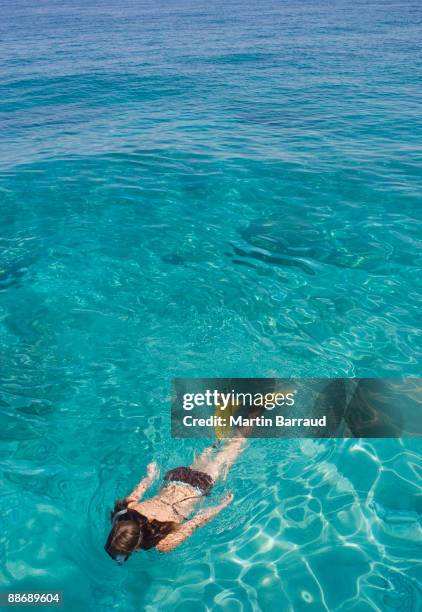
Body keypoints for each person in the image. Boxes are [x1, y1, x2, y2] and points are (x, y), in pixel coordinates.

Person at [105, 438, 246, 563]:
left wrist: (221, 505)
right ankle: (221, 437)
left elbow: (195, 523)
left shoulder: (163, 544)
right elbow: (138, 492)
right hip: (176, 478)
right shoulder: (122, 512)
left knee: (230, 451)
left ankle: (251, 417)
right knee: (210, 451)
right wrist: (150, 474)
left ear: (135, 549)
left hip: (197, 489)